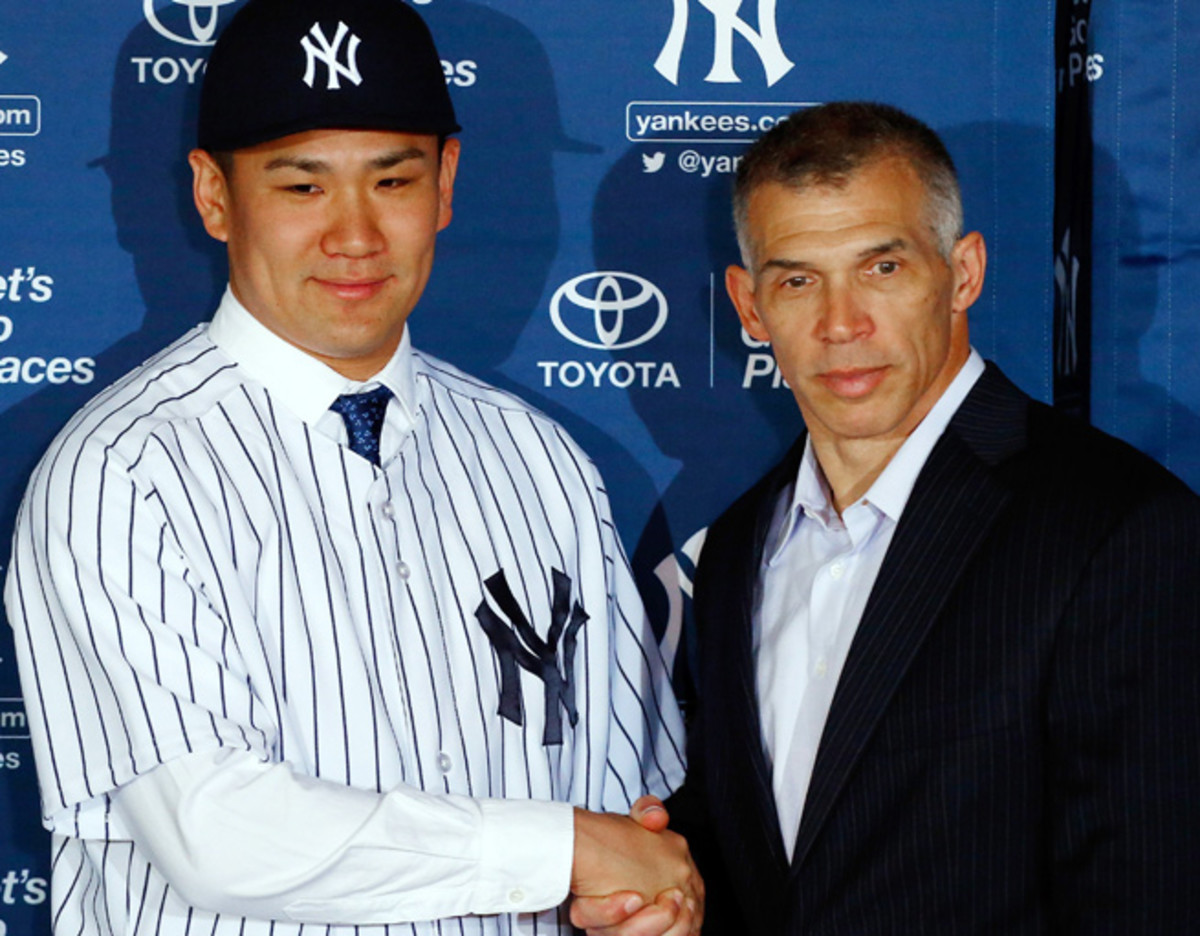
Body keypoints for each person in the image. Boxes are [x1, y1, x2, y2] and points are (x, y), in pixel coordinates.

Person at [3, 1, 704, 934]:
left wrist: (639, 900)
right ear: (214, 195)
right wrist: (565, 849)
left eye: (392, 179)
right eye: (302, 186)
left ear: (447, 183)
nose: (355, 236)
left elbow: (625, 815)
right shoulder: (126, 472)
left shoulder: (543, 463)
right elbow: (220, 835)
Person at [575, 101, 1200, 935]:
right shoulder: (731, 548)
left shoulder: (1120, 531)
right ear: (750, 306)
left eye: (882, 269)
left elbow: (1150, 896)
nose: (842, 326)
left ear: (963, 273)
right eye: (799, 279)